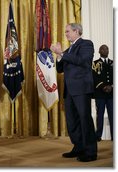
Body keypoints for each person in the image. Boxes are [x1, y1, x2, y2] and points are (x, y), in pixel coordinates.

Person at [50, 23, 97, 162]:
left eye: (68, 31)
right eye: (65, 32)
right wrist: (59, 56)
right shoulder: (69, 49)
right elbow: (60, 69)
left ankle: (90, 152)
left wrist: (61, 53)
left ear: (77, 31)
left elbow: (83, 61)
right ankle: (78, 147)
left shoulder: (86, 44)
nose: (66, 34)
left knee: (85, 120)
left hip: (82, 89)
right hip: (69, 91)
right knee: (72, 122)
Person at [92, 44, 113, 141]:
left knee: (112, 115)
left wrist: (111, 86)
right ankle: (98, 135)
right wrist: (103, 86)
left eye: (107, 49)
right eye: (103, 49)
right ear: (99, 51)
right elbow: (94, 77)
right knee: (99, 115)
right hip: (100, 94)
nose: (106, 50)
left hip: (111, 94)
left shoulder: (113, 63)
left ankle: (114, 135)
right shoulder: (95, 63)